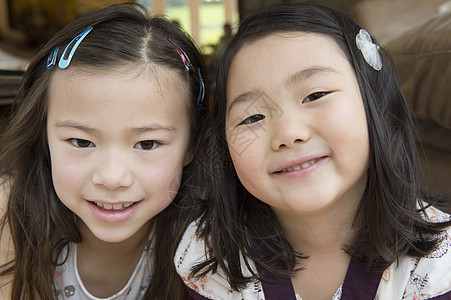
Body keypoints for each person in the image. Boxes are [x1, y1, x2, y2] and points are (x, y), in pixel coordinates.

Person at [174, 2, 451, 300]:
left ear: (375, 104)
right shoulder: (212, 254)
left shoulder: (437, 265)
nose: (288, 134)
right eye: (253, 117)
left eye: (315, 95)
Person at [0, 3, 207, 299]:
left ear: (192, 144)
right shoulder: (8, 216)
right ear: (43, 136)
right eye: (81, 142)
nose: (112, 178)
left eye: (147, 144)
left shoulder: (209, 239)